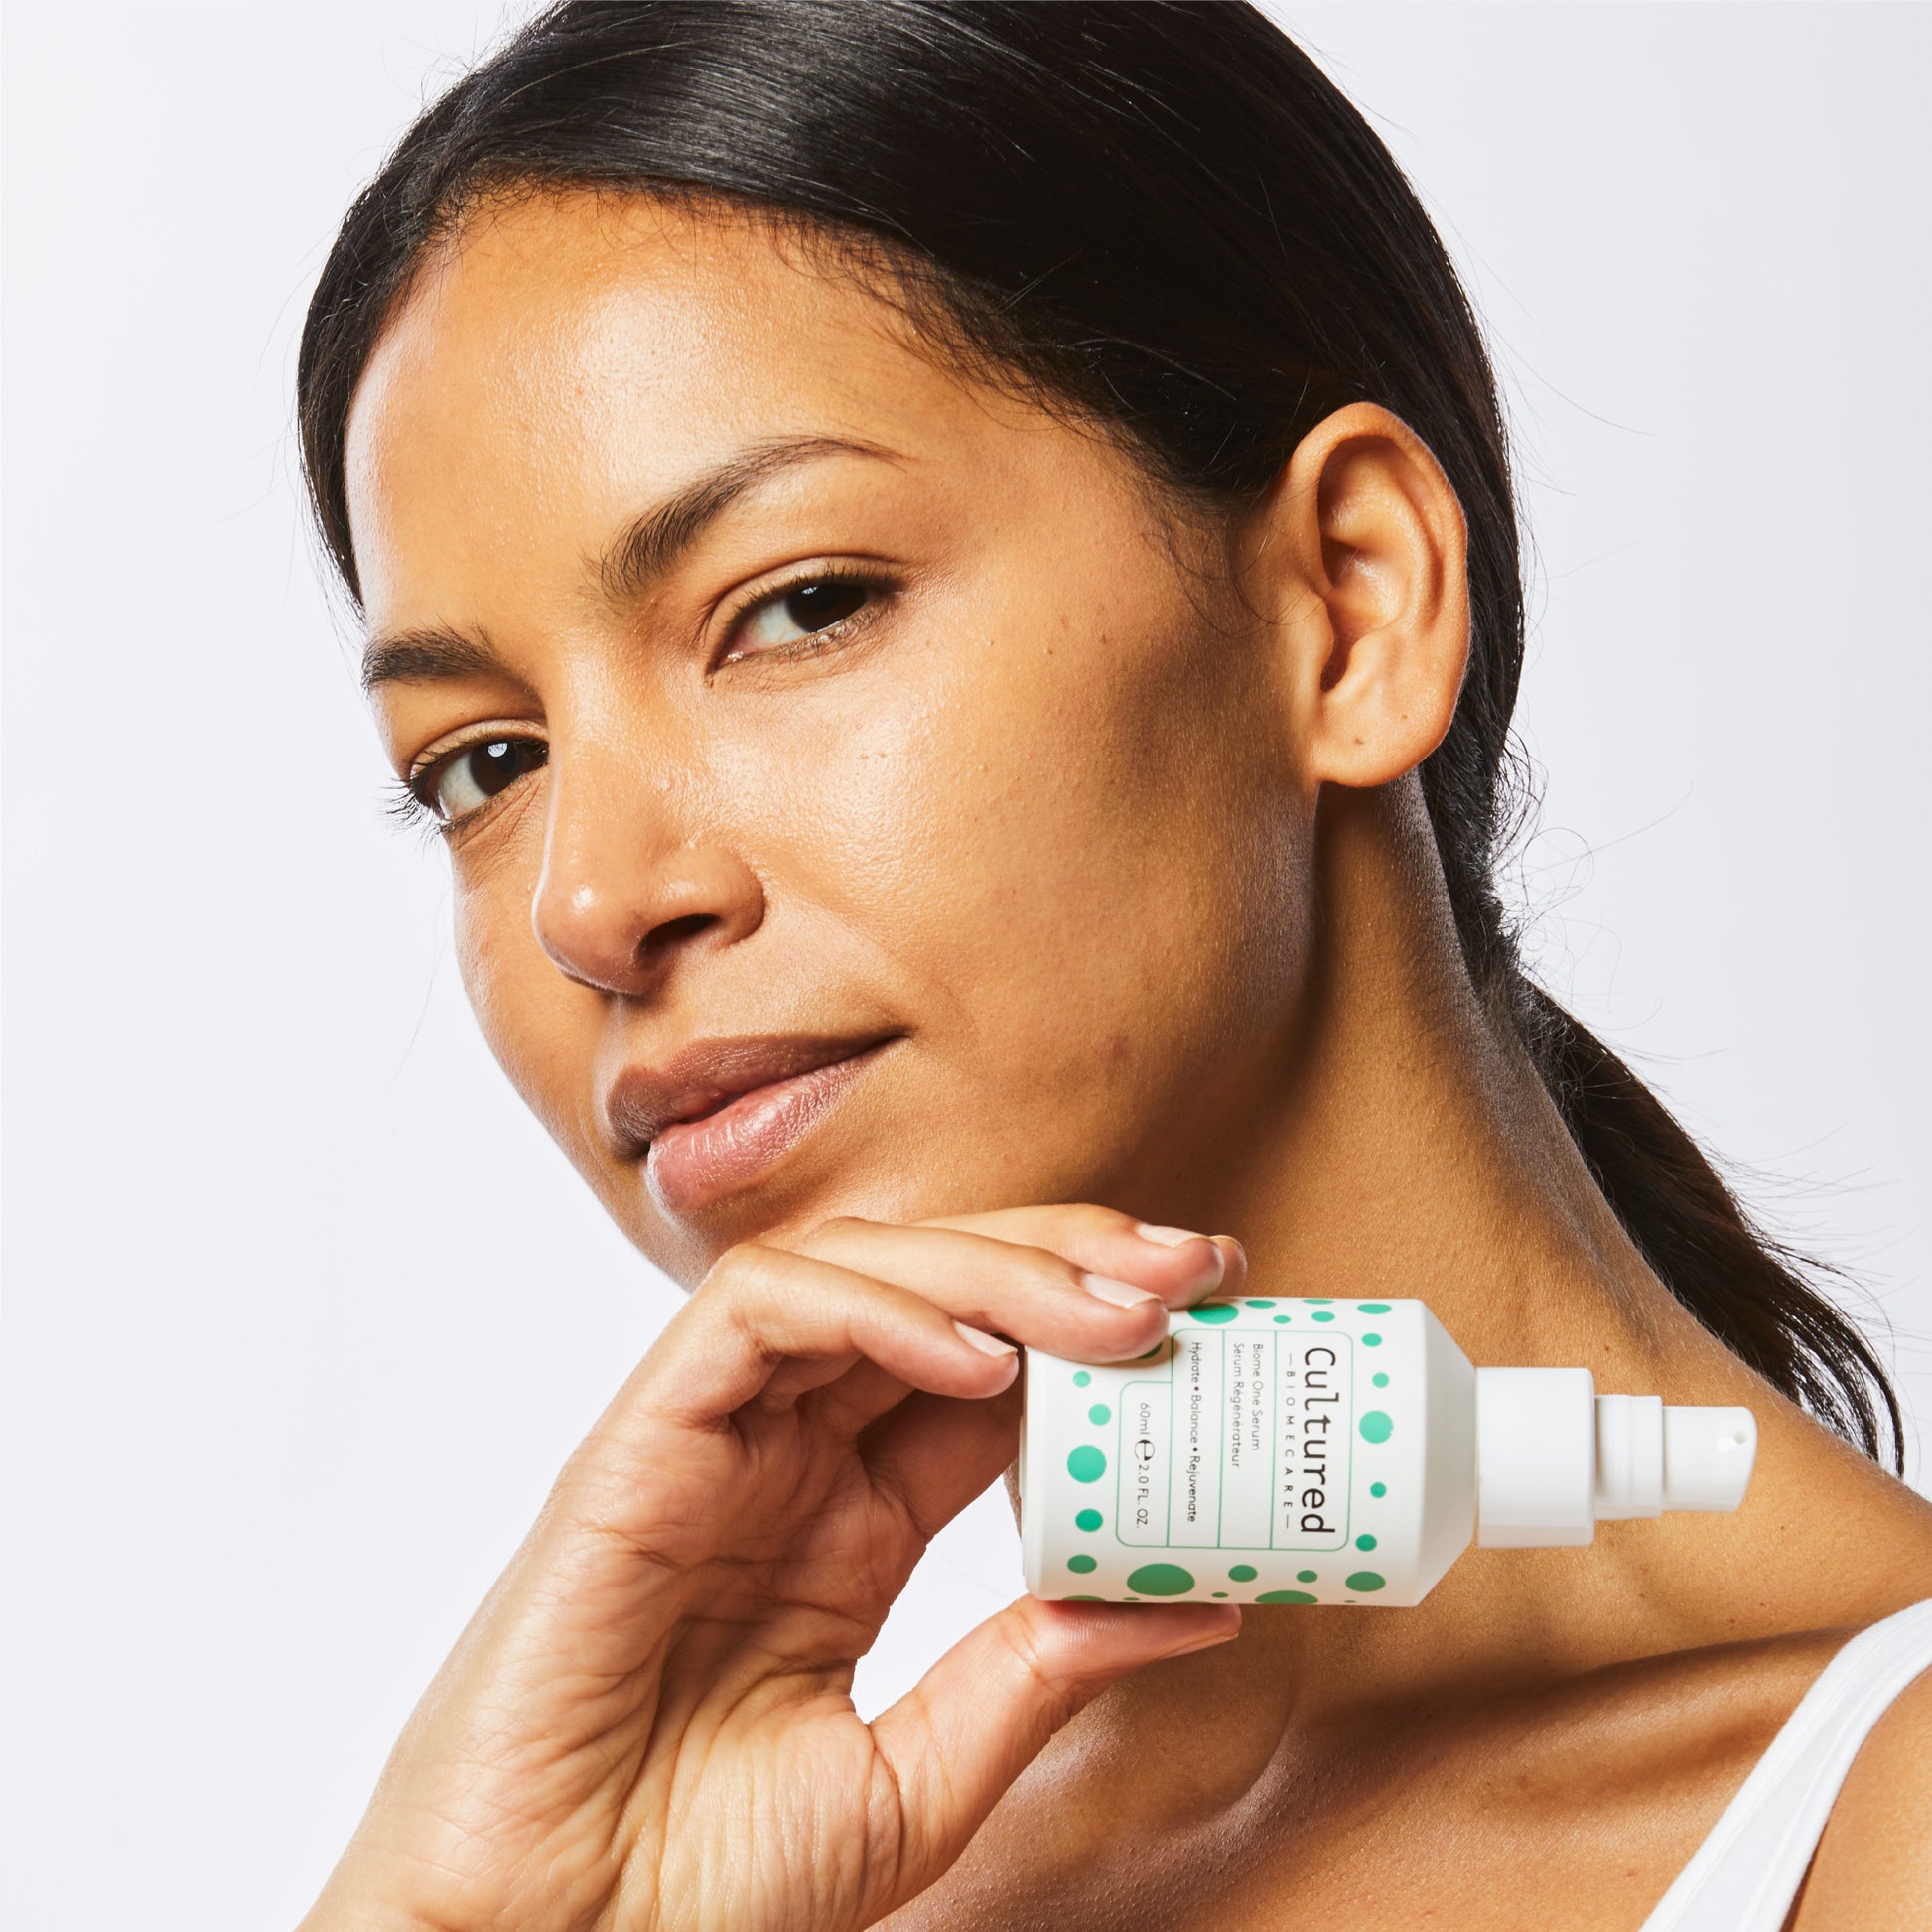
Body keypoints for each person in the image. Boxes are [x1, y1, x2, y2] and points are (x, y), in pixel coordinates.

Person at [292, 5, 1932, 1925]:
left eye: (799, 606)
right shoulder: (775, 1881)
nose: (587, 900)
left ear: (1345, 604)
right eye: (485, 762)